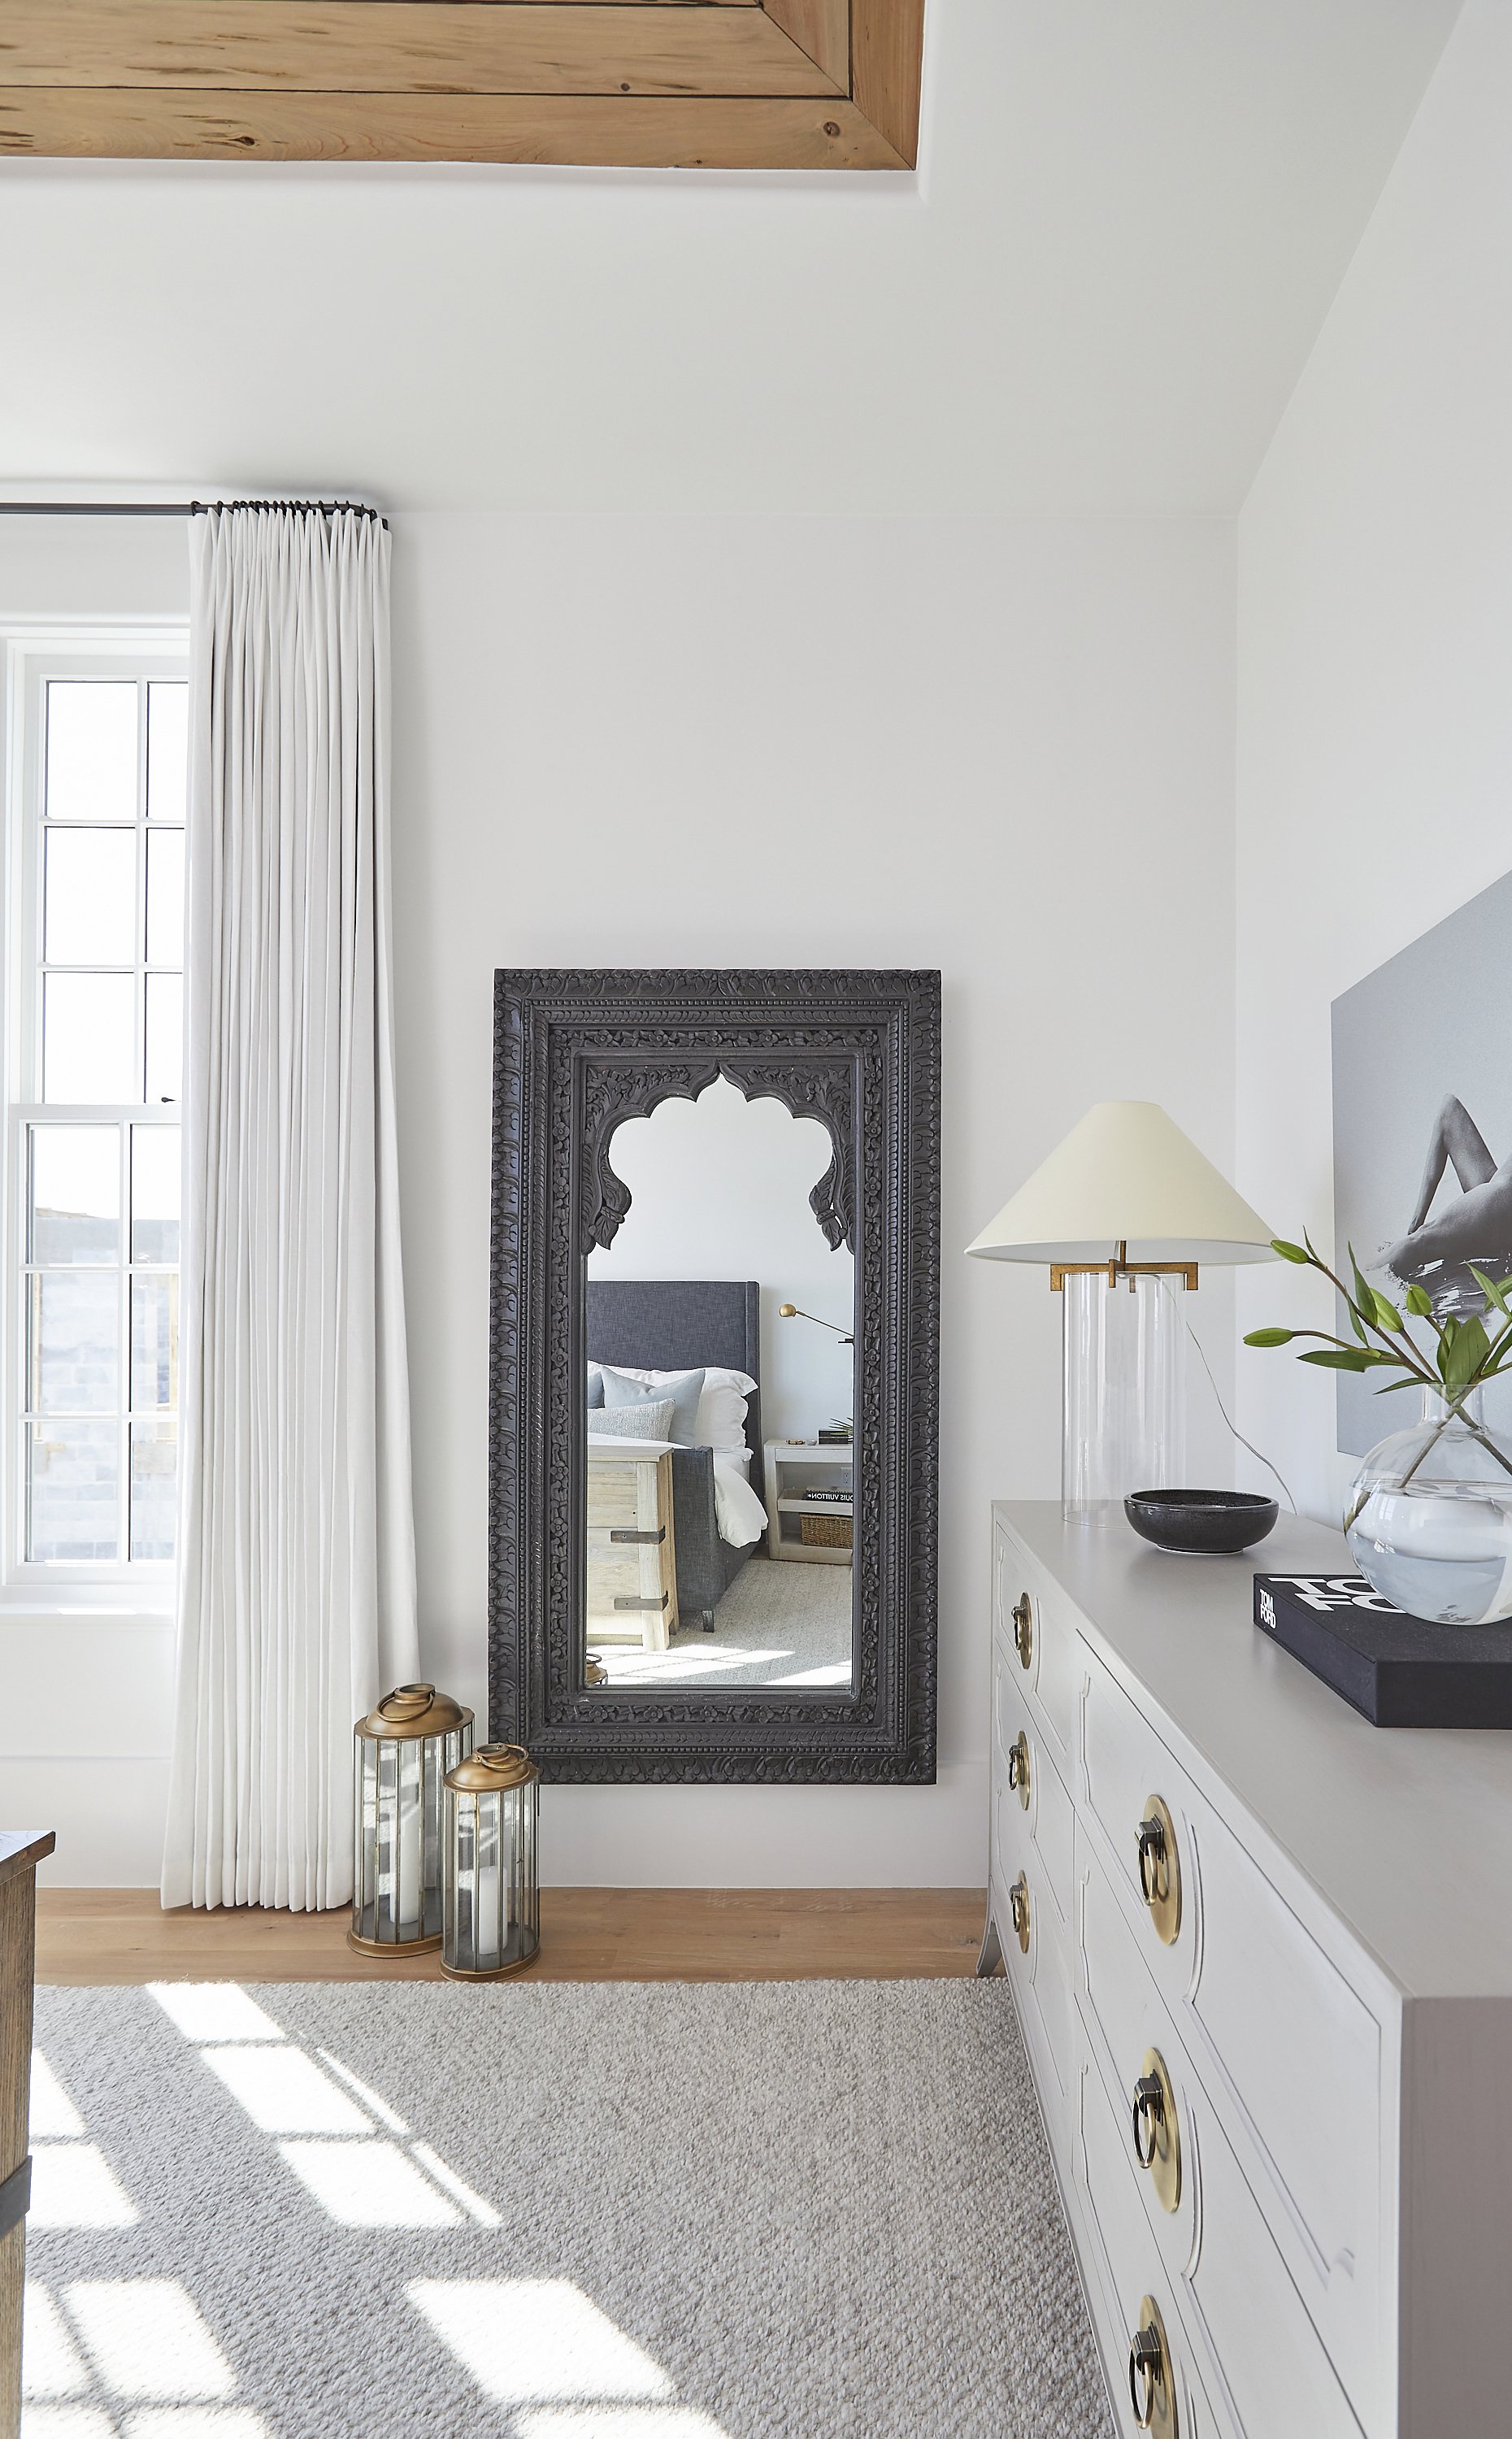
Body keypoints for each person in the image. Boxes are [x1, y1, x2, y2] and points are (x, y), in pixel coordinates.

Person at [1385, 1094, 1512, 1299]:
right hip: (1500, 1197)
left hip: (1504, 1207)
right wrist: (1416, 1223)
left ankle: (1359, 1278)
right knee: (1449, 1109)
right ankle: (1414, 1228)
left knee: (1419, 1242)